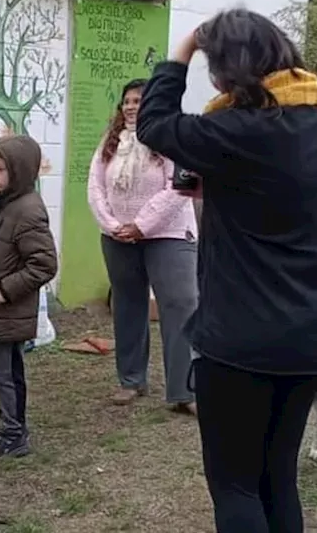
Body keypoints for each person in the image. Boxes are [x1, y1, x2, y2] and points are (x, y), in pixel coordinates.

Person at [135, 8, 317, 533]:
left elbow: (154, 124)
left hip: (241, 345)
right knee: (278, 479)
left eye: (215, 67)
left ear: (230, 71)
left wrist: (179, 52)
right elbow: (284, 201)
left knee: (235, 485)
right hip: (311, 341)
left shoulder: (239, 129)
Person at [87, 78, 199, 412]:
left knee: (181, 305)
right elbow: (95, 185)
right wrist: (113, 225)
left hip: (169, 235)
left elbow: (183, 185)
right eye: (127, 101)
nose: (132, 106)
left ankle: (185, 392)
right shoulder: (110, 142)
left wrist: (142, 224)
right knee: (127, 306)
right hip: (119, 237)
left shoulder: (174, 138)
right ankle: (131, 380)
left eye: (139, 100)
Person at [0, 134, 59, 458]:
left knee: (7, 375)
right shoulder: (9, 204)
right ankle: (11, 428)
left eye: (0, 169)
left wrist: (6, 290)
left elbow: (45, 264)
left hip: (9, 311)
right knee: (4, 371)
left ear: (19, 172)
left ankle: (13, 434)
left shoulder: (28, 211)